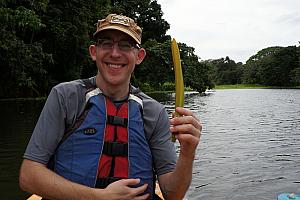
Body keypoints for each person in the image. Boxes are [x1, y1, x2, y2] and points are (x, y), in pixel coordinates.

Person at [19, 13, 202, 200]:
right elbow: (29, 176)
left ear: (139, 56)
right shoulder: (66, 97)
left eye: (125, 45)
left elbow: (173, 195)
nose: (115, 53)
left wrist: (187, 153)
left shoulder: (154, 112)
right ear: (93, 52)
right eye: (106, 43)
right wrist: (100, 196)